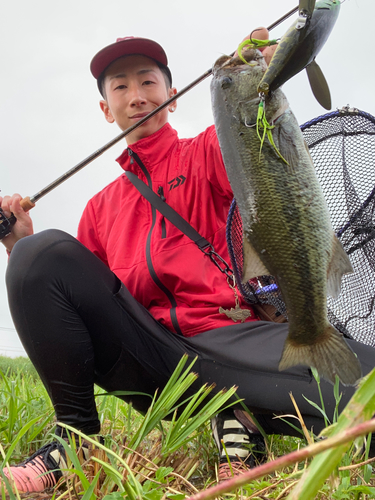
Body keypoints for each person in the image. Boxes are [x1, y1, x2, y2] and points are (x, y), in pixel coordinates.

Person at [1, 33, 374, 494]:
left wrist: (263, 74)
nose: (136, 96)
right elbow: (80, 310)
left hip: (234, 339)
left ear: (172, 97)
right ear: (105, 109)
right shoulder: (98, 210)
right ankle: (74, 440)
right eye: (120, 87)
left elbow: (257, 140)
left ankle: (239, 418)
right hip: (151, 360)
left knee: (368, 390)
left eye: (148, 82)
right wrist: (20, 247)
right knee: (40, 254)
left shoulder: (207, 152)